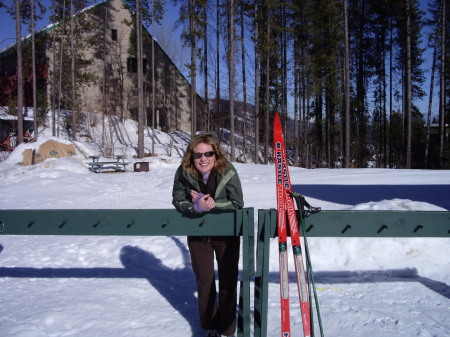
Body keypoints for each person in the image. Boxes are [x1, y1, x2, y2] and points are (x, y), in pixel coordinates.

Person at [172, 134, 244, 337]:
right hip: (198, 234)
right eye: (198, 154)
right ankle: (211, 326)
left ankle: (228, 329)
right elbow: (178, 200)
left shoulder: (227, 171)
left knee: (228, 281)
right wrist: (196, 206)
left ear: (215, 154)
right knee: (205, 281)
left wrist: (211, 205)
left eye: (208, 153)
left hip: (226, 235)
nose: (203, 159)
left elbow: (237, 203)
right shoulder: (183, 172)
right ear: (191, 156)